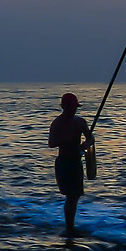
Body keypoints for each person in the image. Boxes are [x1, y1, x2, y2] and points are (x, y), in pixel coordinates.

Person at [48, 92, 95, 239]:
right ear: (64, 107)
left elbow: (91, 138)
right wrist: (65, 139)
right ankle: (69, 228)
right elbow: (51, 143)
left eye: (75, 107)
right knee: (70, 195)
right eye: (71, 107)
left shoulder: (80, 122)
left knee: (75, 196)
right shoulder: (57, 123)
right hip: (64, 162)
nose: (74, 110)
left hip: (76, 161)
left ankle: (70, 227)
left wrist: (85, 145)